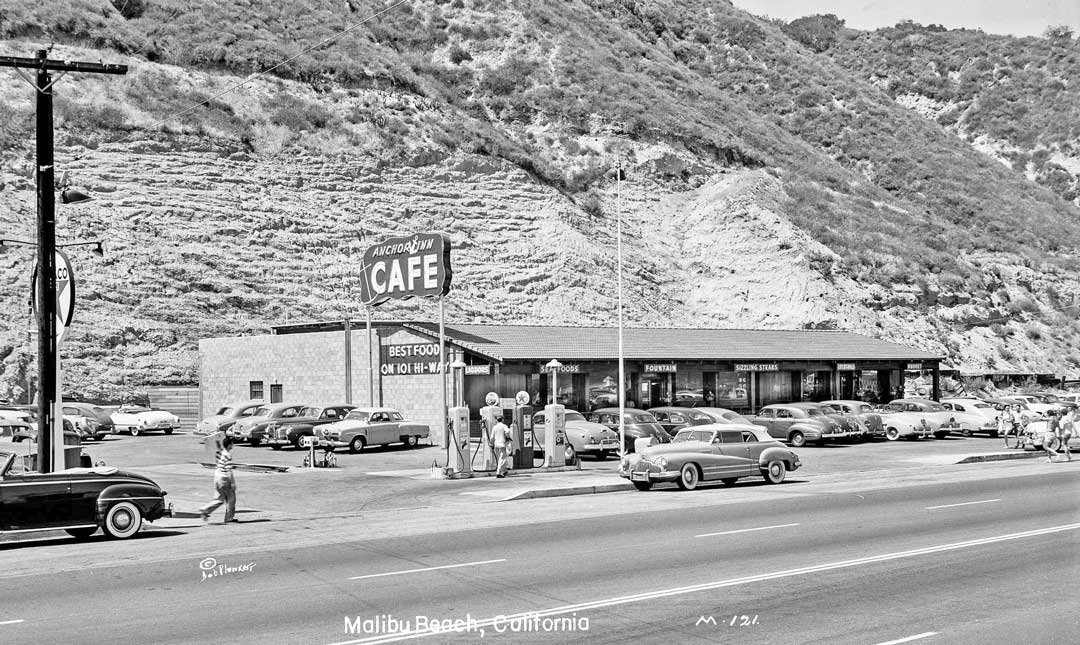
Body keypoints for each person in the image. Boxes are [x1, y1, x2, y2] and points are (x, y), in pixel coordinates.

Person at [199, 435, 238, 523]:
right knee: (231, 499)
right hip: (224, 479)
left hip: (217, 477)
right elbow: (229, 470)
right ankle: (229, 518)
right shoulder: (228, 455)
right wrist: (232, 483)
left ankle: (206, 509)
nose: (233, 445)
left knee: (219, 499)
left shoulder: (221, 453)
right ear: (229, 445)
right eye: (232, 444)